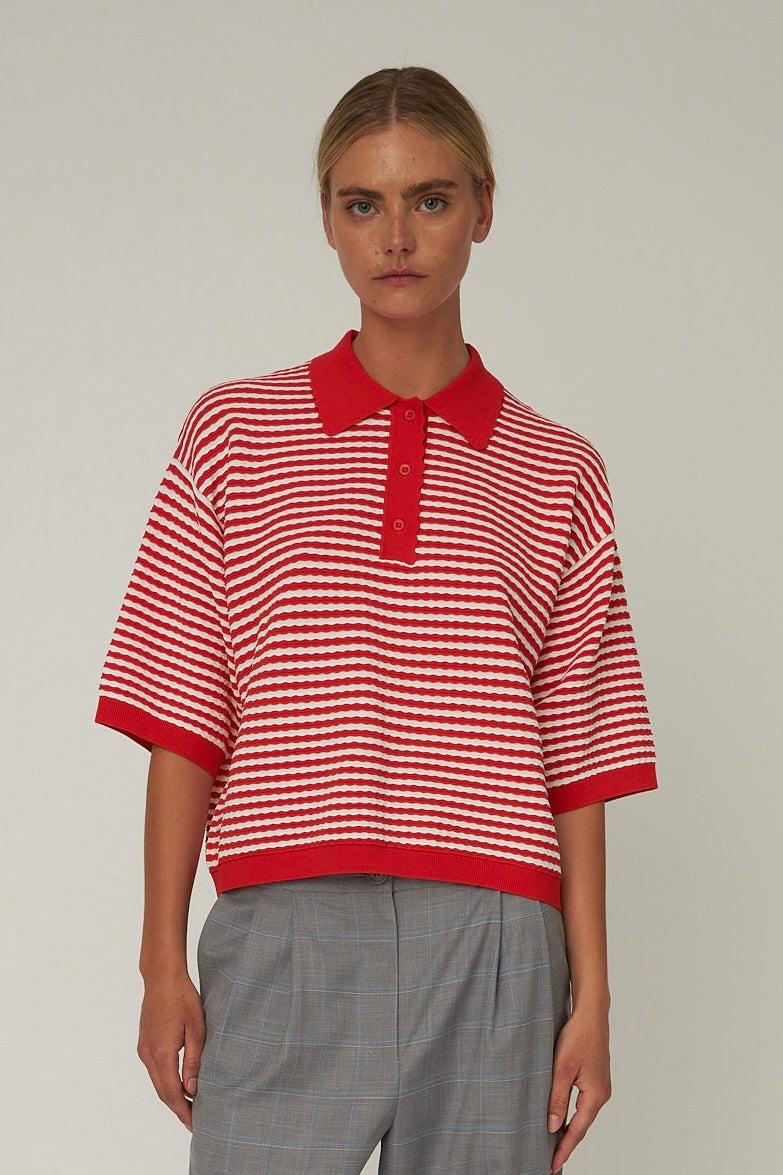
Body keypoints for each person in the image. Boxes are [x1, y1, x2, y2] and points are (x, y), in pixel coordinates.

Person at [95, 66, 658, 1175]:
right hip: (287, 926)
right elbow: (184, 713)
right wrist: (161, 960)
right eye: (364, 203)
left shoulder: (559, 469)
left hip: (497, 936)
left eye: (430, 200)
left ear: (482, 209)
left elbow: (581, 749)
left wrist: (593, 995)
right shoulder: (234, 433)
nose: (396, 237)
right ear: (328, 218)